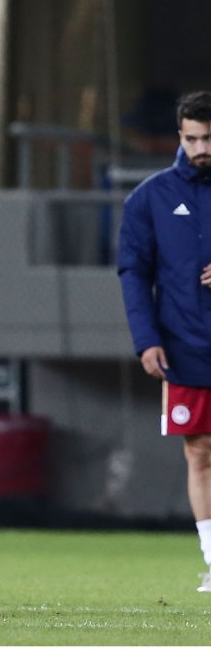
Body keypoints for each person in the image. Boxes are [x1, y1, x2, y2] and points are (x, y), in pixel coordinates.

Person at [118, 90, 211, 593]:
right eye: (192, 139)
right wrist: (146, 339)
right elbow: (133, 272)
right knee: (199, 453)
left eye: (209, 139)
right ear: (179, 136)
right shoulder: (149, 198)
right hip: (183, 345)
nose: (201, 149)